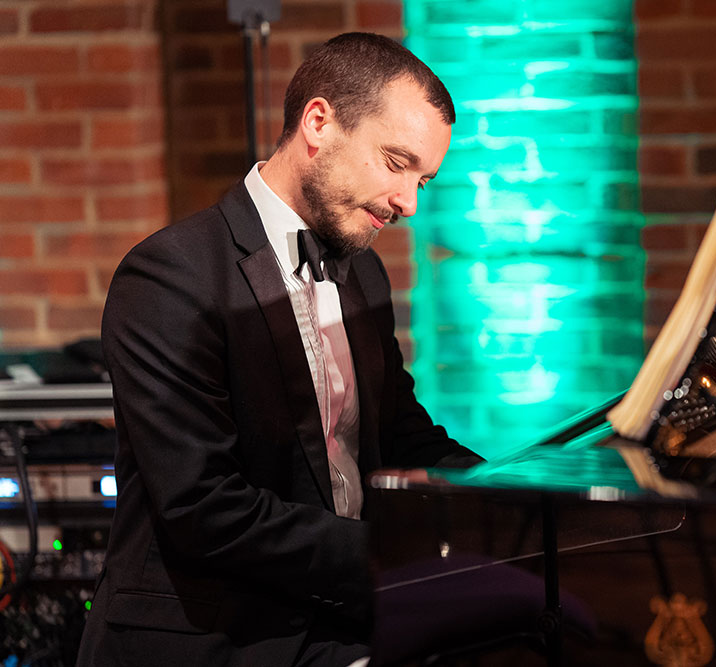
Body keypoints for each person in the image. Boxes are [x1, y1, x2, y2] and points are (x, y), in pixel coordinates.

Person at [77, 32, 481, 667]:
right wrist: (397, 555)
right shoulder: (171, 276)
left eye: (422, 182)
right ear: (318, 123)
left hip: (342, 617)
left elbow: (401, 436)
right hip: (217, 637)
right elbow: (205, 509)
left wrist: (512, 497)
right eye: (396, 163)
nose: (408, 202)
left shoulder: (363, 271)